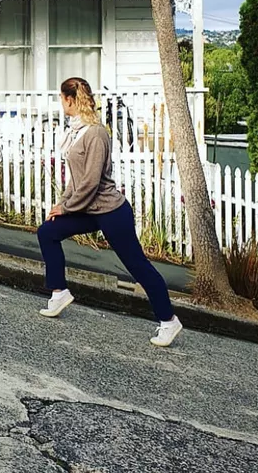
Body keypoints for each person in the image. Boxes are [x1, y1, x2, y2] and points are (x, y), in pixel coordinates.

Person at [36, 77, 183, 348]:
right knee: (48, 232)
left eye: (61, 98)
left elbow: (91, 182)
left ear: (70, 99)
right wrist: (62, 204)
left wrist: (67, 207)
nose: (61, 103)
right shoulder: (77, 130)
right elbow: (76, 180)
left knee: (137, 265)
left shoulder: (96, 133)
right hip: (89, 209)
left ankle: (169, 320)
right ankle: (59, 292)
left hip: (111, 211)